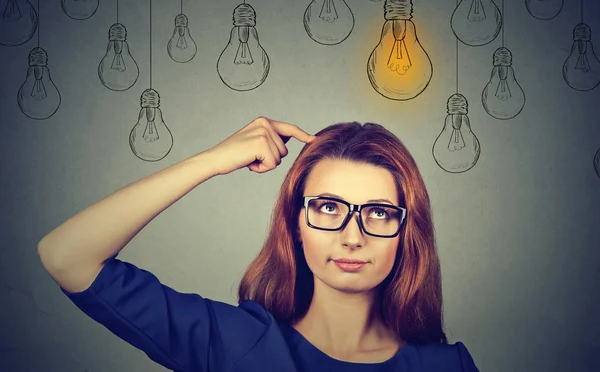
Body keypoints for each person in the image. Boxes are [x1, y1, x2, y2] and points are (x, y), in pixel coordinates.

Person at [37, 116, 480, 371]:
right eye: (328, 207)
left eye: (379, 212)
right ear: (296, 223)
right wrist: (212, 160)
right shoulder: (235, 343)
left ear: (407, 231)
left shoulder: (447, 366)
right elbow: (66, 256)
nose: (352, 235)